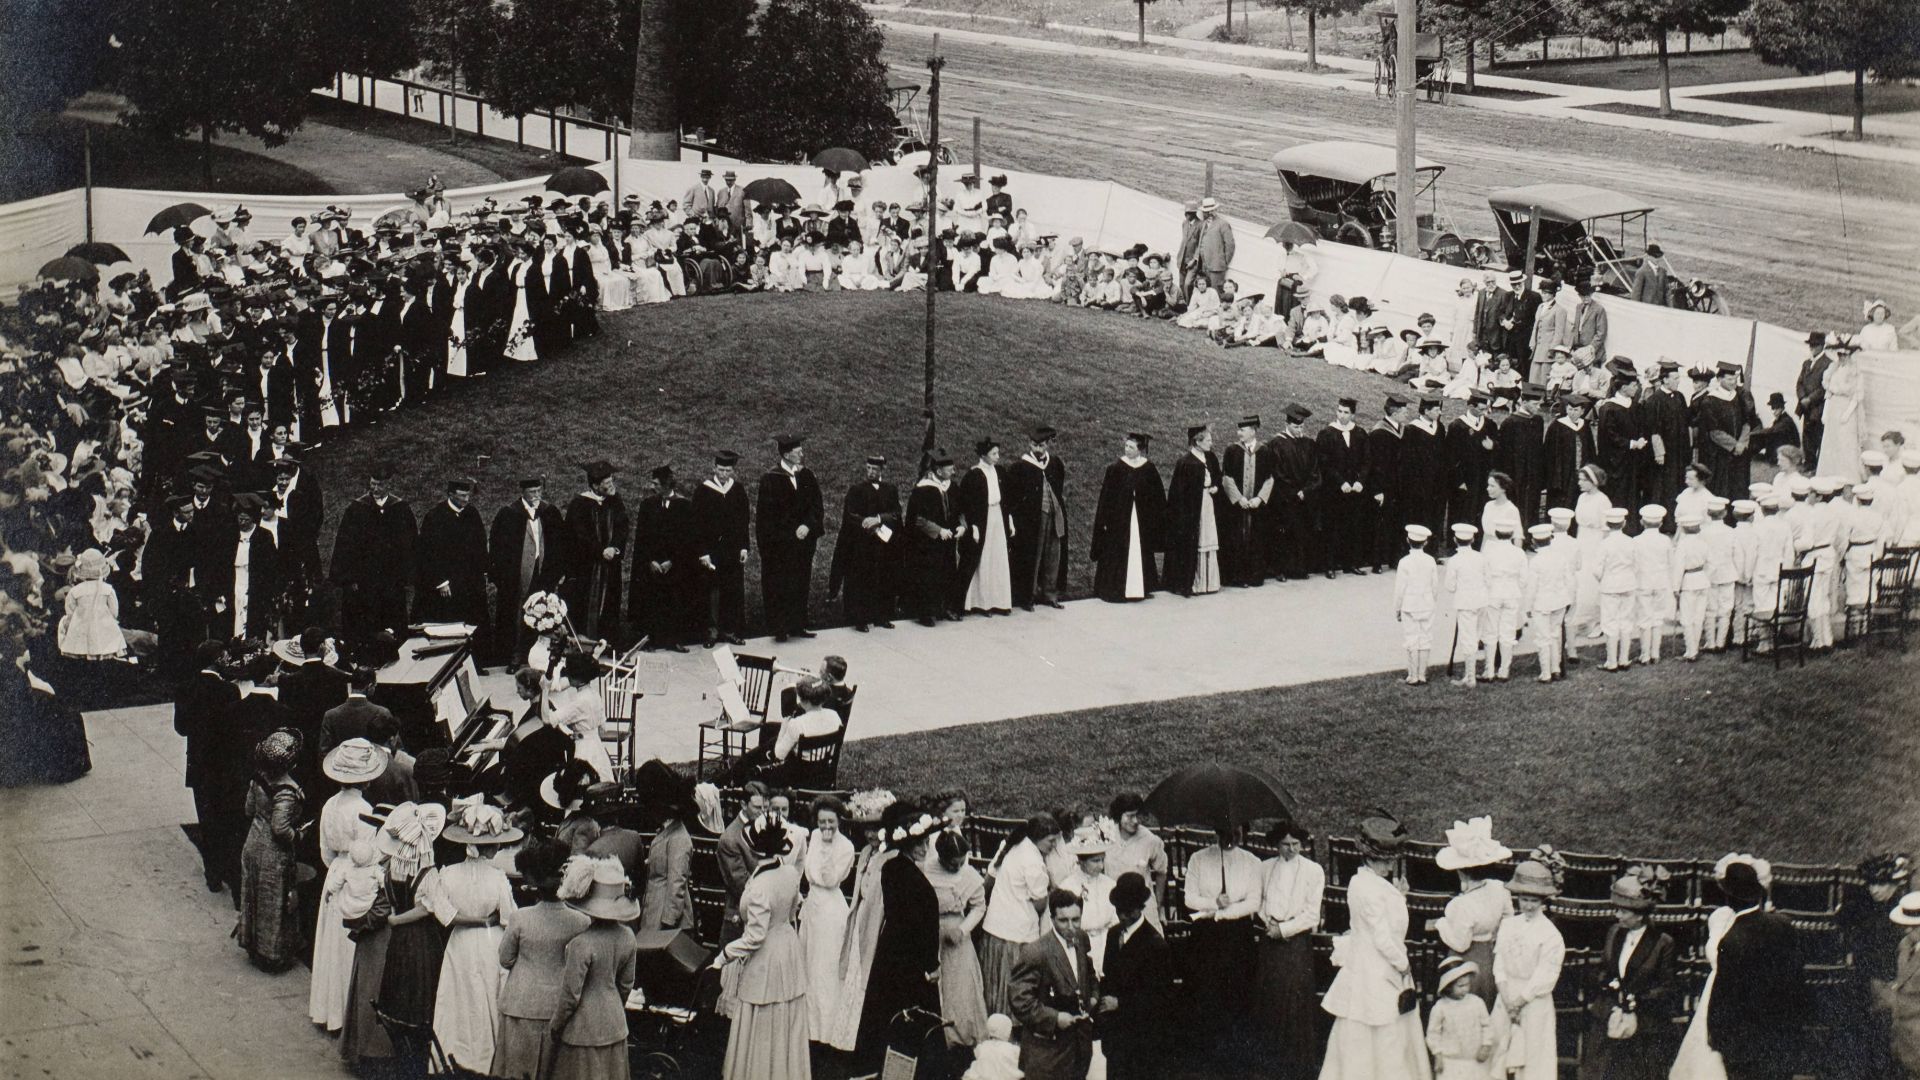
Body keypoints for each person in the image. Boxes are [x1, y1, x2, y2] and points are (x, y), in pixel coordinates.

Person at [1319, 809, 1427, 1080]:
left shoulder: (1368, 882)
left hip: (1373, 964)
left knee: (1384, 1028)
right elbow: (1382, 937)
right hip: (1378, 968)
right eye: (1384, 861)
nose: (1389, 866)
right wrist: (1403, 965)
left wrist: (1398, 896)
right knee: (1378, 1026)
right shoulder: (1367, 888)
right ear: (1369, 858)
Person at [714, 815, 810, 1080]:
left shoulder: (759, 886)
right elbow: (792, 910)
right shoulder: (789, 873)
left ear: (755, 848)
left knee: (763, 1015)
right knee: (783, 1012)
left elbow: (755, 936)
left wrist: (724, 955)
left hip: (766, 955)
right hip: (787, 948)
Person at [432, 802, 523, 1071]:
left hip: (459, 940)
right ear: (490, 846)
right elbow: (510, 917)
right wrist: (485, 919)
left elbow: (443, 913)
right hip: (488, 940)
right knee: (484, 998)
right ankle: (485, 1060)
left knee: (458, 996)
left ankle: (452, 1055)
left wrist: (469, 919)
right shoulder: (497, 877)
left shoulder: (448, 873)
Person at [852, 810, 942, 1075]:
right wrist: (931, 965)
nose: (926, 848)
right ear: (907, 845)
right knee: (910, 1022)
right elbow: (919, 928)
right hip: (910, 965)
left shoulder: (892, 868)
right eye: (920, 843)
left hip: (890, 956)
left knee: (885, 1017)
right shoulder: (913, 881)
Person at [494, 838, 591, 1080]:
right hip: (558, 1006)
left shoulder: (520, 918)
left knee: (515, 1070)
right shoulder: (581, 921)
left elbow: (505, 959)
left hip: (520, 1002)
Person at [1706, 860, 1810, 1080]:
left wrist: (1716, 1037)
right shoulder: (1783, 925)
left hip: (1745, 1045)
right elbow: (1797, 979)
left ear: (1729, 898)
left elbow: (1723, 995)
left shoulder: (1732, 939)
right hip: (1781, 1038)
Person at [311, 738, 385, 1030]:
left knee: (331, 944)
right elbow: (369, 851)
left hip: (337, 871)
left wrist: (337, 869)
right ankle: (347, 1012)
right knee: (350, 946)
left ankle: (327, 1009)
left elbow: (325, 851)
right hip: (357, 874)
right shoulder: (363, 809)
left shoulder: (330, 804)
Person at [1577, 868, 1679, 1080]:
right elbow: (1604, 969)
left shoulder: (1663, 943)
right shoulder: (1614, 932)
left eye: (1624, 911)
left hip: (1643, 1024)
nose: (1617, 915)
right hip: (1608, 1014)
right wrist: (1608, 984)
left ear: (1640, 914)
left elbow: (1668, 988)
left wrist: (1636, 1000)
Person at [550, 856, 639, 1080]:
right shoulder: (628, 937)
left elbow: (570, 995)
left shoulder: (581, 944)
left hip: (583, 1027)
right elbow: (626, 984)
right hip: (614, 1021)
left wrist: (556, 1024)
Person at [1183, 819, 1262, 1054]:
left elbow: (1254, 902)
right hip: (1206, 934)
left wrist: (1226, 913)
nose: (1231, 838)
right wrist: (1214, 903)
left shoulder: (1252, 862)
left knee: (1237, 989)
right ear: (1217, 832)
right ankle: (1208, 1046)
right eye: (1226, 832)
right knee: (1208, 988)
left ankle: (1236, 1047)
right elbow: (1189, 898)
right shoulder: (1198, 859)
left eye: (1237, 833)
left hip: (1238, 934)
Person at [1255, 820, 1324, 1079]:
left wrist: (1284, 930)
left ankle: (1297, 1064)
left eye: (1296, 844)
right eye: (1285, 845)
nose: (1291, 849)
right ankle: (1271, 1061)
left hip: (1296, 941)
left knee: (1294, 997)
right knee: (1270, 996)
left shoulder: (1313, 871)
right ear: (1276, 844)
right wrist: (1267, 921)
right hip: (1269, 939)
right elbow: (1259, 900)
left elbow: (1311, 915)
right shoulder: (1265, 868)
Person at [174, 641, 244, 893]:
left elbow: (181, 728)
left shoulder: (185, 689)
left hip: (198, 764)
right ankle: (226, 867)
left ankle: (212, 873)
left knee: (206, 819)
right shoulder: (229, 691)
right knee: (225, 817)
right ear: (217, 659)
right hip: (224, 765)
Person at [1012, 889, 1100, 1080]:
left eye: (1076, 919)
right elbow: (1020, 1001)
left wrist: (1093, 996)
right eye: (1063, 920)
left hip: (1079, 1047)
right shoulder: (1035, 952)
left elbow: (1089, 974)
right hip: (1047, 1054)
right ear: (1052, 919)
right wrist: (1055, 1018)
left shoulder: (1082, 939)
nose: (1071, 926)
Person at [237, 730, 306, 973]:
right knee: (274, 900)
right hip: (274, 852)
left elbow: (249, 809)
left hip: (252, 843)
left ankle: (251, 942)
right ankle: (271, 953)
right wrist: (298, 835)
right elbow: (280, 828)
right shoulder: (287, 791)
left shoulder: (258, 780)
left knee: (252, 894)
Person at [1492, 858, 1565, 1080]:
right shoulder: (1508, 925)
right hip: (1506, 995)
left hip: (1533, 1000)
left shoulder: (1550, 934)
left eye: (1534, 900)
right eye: (1524, 899)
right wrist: (1506, 998)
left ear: (1542, 901)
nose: (1528, 905)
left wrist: (1520, 1001)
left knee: (1533, 1057)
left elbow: (1546, 976)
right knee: (1498, 1049)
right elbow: (1500, 964)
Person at [981, 812, 1061, 1015]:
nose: (1054, 846)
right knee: (1017, 982)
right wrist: (1051, 887)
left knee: (998, 984)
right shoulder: (1033, 862)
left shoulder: (1015, 845)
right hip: (1016, 933)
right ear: (1038, 838)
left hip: (996, 927)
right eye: (1051, 841)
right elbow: (1040, 905)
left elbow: (990, 877)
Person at [1430, 817, 1514, 1007]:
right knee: (1488, 1001)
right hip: (1490, 957)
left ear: (1461, 872)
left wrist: (1442, 924)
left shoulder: (1462, 904)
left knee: (1466, 1004)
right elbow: (1509, 917)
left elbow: (1460, 943)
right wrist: (1495, 936)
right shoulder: (1500, 888)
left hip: (1466, 963)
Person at [331, 464, 417, 644]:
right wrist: (350, 578)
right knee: (365, 623)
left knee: (392, 620)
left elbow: (410, 544)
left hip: (391, 580)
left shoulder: (400, 509)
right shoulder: (357, 509)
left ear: (389, 485)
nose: (375, 489)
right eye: (373, 484)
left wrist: (407, 575)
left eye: (380, 485)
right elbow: (345, 546)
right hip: (365, 582)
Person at [1098, 872, 1171, 1080]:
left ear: (1140, 908)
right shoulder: (1113, 935)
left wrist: (1121, 1003)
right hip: (1115, 1034)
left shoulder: (1155, 945)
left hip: (1141, 1035)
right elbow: (1108, 975)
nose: (1122, 916)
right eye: (1119, 910)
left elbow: (1159, 997)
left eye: (1128, 911)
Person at [489, 477, 568, 665]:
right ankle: (515, 655)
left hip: (543, 572)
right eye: (532, 492)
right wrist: (501, 575)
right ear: (523, 493)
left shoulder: (549, 512)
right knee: (518, 612)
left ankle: (543, 655)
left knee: (544, 610)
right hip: (517, 575)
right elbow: (498, 547)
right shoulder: (509, 514)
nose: (537, 496)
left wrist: (559, 570)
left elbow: (560, 544)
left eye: (539, 491)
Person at [799, 795, 856, 1040]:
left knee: (826, 969)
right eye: (822, 822)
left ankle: (826, 1030)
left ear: (839, 821)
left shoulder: (846, 847)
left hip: (831, 912)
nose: (826, 827)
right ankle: (807, 1026)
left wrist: (826, 851)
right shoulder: (812, 838)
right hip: (812, 907)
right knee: (808, 965)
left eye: (831, 822)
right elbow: (808, 873)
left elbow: (830, 879)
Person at [757, 436, 824, 642]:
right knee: (780, 583)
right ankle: (780, 626)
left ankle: (798, 623)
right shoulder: (770, 478)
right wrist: (789, 533)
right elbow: (767, 516)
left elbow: (816, 506)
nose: (802, 454)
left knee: (800, 581)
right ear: (787, 454)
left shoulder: (807, 475)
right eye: (798, 451)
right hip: (781, 545)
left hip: (803, 542)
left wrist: (807, 525)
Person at [927, 829, 991, 1046]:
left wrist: (962, 930)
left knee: (960, 987)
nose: (956, 867)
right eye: (952, 863)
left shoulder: (969, 875)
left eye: (960, 862)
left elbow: (979, 907)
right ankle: (938, 1036)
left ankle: (962, 1036)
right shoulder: (927, 870)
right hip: (931, 931)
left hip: (956, 934)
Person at [1089, 433, 1167, 603]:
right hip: (1120, 521)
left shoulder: (1148, 468)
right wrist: (1107, 519)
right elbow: (1107, 497)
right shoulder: (1116, 468)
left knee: (1140, 550)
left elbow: (1157, 496)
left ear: (1140, 450)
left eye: (1131, 447)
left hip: (1141, 520)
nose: (1127, 449)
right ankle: (1117, 589)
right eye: (1126, 446)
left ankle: (1141, 588)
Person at [828, 455, 902, 631]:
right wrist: (868, 525)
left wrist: (878, 519)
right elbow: (850, 515)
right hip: (862, 544)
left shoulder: (890, 490)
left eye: (874, 469)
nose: (871, 472)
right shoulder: (857, 490)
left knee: (883, 579)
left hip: (883, 544)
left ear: (882, 471)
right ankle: (859, 618)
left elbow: (896, 513)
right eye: (868, 468)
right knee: (861, 581)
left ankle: (882, 616)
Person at [412, 476, 490, 632]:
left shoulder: (472, 514)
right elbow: (428, 553)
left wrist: (484, 570)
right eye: (462, 496)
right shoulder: (435, 517)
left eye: (468, 495)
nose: (466, 499)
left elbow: (480, 544)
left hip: (470, 582)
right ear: (451, 494)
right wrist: (441, 581)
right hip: (448, 584)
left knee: (474, 622)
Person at [563, 461, 629, 642]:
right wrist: (601, 551)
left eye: (611, 480)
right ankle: (586, 642)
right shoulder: (579, 504)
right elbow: (579, 535)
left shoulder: (615, 501)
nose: (611, 485)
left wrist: (615, 548)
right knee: (585, 604)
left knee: (610, 602)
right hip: (587, 566)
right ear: (595, 486)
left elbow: (623, 527)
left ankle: (607, 640)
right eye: (606, 483)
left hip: (610, 564)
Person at [692, 451, 752, 646]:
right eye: (721, 469)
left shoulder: (738, 490)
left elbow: (744, 521)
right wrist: (703, 552)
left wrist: (744, 547)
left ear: (732, 470)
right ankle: (711, 631)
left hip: (732, 550)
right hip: (712, 551)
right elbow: (697, 525)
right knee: (712, 591)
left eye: (728, 470)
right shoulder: (703, 491)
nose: (724, 473)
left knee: (732, 590)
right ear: (714, 469)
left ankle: (730, 630)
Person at [1007, 426, 1069, 611]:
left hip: (1054, 513)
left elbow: (1059, 487)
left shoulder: (1055, 463)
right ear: (1029, 445)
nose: (1038, 449)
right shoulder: (1020, 467)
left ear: (1048, 445)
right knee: (1033, 556)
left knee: (1053, 555)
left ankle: (1049, 593)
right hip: (1032, 519)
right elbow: (1014, 497)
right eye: (1034, 445)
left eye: (1041, 446)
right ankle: (1028, 595)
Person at [905, 451, 965, 626]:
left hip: (949, 540)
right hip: (927, 543)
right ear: (938, 471)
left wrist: (962, 525)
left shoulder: (952, 487)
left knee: (949, 573)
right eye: (949, 469)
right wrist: (938, 531)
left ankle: (945, 608)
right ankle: (927, 613)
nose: (953, 471)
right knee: (929, 576)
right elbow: (917, 519)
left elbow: (961, 509)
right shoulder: (922, 489)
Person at [1164, 424, 1223, 596]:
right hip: (1192, 511)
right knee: (1195, 541)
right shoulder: (1185, 462)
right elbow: (1178, 493)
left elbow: (1218, 477)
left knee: (1208, 538)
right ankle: (1194, 583)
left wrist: (1216, 488)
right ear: (1197, 442)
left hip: (1208, 505)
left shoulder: (1210, 458)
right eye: (1208, 440)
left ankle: (1209, 583)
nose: (1211, 444)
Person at [960, 439, 1016, 615]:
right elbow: (968, 505)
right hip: (983, 520)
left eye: (998, 453)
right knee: (983, 559)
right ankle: (982, 603)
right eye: (994, 454)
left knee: (998, 558)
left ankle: (1000, 601)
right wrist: (974, 526)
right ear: (983, 455)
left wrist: (1010, 520)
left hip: (998, 517)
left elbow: (1007, 499)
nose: (998, 457)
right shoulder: (973, 475)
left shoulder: (999, 472)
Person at [1219, 415, 1275, 587]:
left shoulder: (1264, 451)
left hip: (1257, 506)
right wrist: (1238, 498)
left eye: (1242, 430)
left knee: (1256, 539)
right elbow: (1226, 478)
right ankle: (1237, 578)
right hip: (1237, 506)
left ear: (1253, 431)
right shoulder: (1232, 450)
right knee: (1236, 538)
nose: (1239, 433)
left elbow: (1270, 479)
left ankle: (1255, 577)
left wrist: (1259, 498)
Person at [1427, 962, 1494, 1080]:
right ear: (1448, 987)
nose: (1466, 989)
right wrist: (1437, 1054)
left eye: (1467, 985)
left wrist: (1486, 1045)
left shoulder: (1476, 1002)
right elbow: (1433, 1033)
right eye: (1460, 986)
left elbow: (1487, 1025)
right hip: (1451, 1062)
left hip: (1474, 1059)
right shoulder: (1441, 1007)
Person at [1526, 523, 1576, 681]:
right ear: (1551, 539)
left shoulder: (1535, 562)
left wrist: (1528, 606)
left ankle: (1546, 672)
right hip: (1559, 601)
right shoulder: (1560, 558)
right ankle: (1555, 668)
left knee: (1543, 637)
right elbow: (1569, 581)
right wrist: (1569, 599)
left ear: (1534, 543)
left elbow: (1532, 587)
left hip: (1542, 603)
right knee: (1555, 635)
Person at [1444, 524, 1488, 687]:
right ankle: (1470, 673)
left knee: (1468, 639)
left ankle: (1470, 677)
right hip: (1481, 601)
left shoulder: (1455, 561)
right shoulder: (1481, 557)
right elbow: (1487, 579)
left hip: (1466, 603)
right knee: (1475, 637)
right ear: (1473, 539)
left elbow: (1450, 586)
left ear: (1455, 540)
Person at [1394, 524, 1439, 685]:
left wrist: (1397, 608)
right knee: (1425, 637)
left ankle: (1413, 675)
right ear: (1425, 543)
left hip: (1410, 604)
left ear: (1408, 541)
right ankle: (1421, 674)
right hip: (1426, 604)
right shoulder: (1430, 560)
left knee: (1411, 638)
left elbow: (1400, 588)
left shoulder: (1404, 562)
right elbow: (1435, 586)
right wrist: (1432, 601)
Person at [1818, 338, 1865, 483]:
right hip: (1833, 406)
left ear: (1850, 355)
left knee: (1846, 440)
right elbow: (1829, 392)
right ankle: (1828, 472)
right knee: (1832, 439)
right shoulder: (1834, 368)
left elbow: (1857, 395)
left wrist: (1847, 413)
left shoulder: (1855, 370)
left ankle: (1848, 475)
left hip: (1846, 407)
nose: (1842, 358)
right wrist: (1826, 412)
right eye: (1840, 355)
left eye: (1845, 355)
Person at [1632, 505, 1673, 664]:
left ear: (1642, 522)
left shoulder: (1637, 541)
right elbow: (1671, 562)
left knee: (1645, 617)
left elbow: (1634, 564)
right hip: (1661, 582)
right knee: (1657, 617)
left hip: (1643, 582)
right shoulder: (1665, 540)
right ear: (1661, 524)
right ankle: (1654, 653)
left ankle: (1646, 654)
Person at [1890, 891, 1920, 1077]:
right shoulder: (1905, 945)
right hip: (1904, 1041)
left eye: (1915, 927)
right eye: (1906, 926)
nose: (1908, 931)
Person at [1793, 332, 1830, 473]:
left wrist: (1810, 399)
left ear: (1822, 346)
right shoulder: (1807, 363)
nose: (1812, 348)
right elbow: (1799, 383)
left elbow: (1823, 388)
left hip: (1817, 406)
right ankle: (1808, 462)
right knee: (1806, 434)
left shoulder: (1828, 364)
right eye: (1810, 345)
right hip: (1805, 405)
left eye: (1815, 345)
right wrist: (1802, 398)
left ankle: (1816, 465)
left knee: (1817, 435)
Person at [1194, 197, 1235, 290]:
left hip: (1216, 267)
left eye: (1210, 211)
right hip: (1204, 266)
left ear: (1214, 210)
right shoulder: (1204, 224)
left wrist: (1224, 262)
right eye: (1206, 211)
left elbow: (1230, 245)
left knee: (1215, 291)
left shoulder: (1223, 224)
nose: (1208, 213)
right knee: (1205, 291)